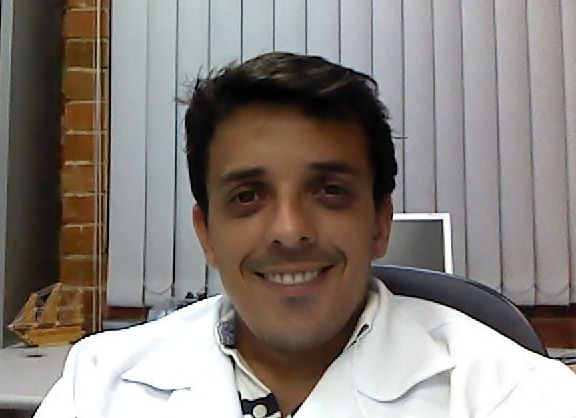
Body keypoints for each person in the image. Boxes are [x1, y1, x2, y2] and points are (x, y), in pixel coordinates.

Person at [35, 52, 576, 418]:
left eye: (329, 191)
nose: (290, 231)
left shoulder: (512, 394)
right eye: (248, 196)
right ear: (207, 234)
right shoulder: (100, 386)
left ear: (380, 222)